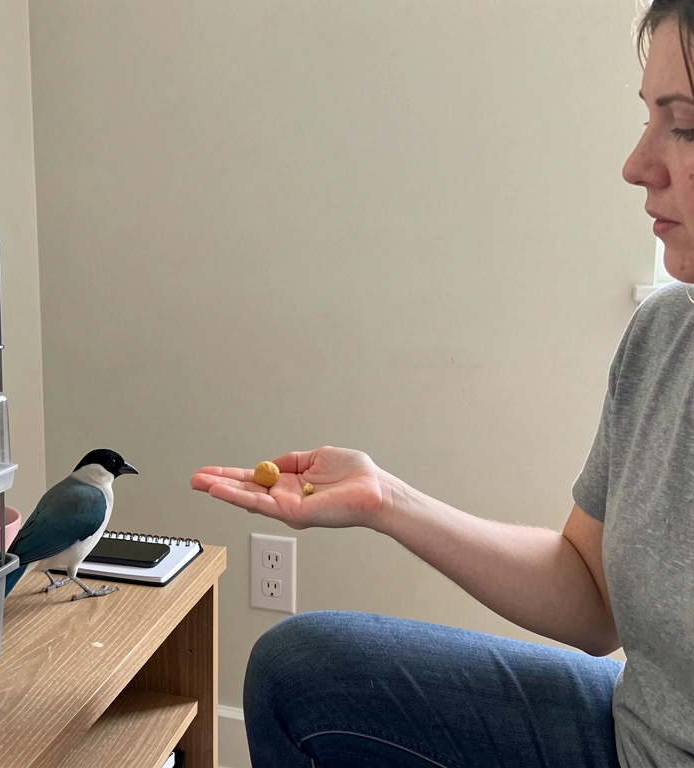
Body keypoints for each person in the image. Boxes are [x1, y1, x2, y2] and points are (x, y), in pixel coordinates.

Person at [190, 2, 694, 766]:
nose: (637, 163)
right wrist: (388, 502)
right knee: (299, 673)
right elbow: (591, 596)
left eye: (683, 124)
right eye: (647, 116)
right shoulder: (661, 339)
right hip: (633, 738)